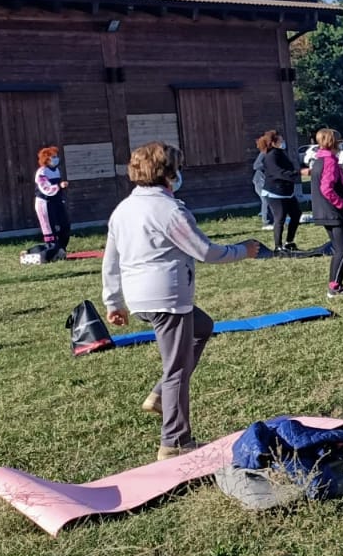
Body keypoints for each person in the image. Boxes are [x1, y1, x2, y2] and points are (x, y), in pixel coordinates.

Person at [101, 142, 259, 460]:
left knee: (202, 327)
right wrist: (243, 250)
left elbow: (110, 259)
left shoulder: (123, 209)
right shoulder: (169, 211)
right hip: (167, 298)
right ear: (169, 172)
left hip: (140, 299)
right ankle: (174, 442)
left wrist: (113, 301)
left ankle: (160, 396)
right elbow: (204, 251)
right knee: (176, 370)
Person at [310, 129, 343, 297]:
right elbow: (326, 189)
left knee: (339, 249)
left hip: (325, 211)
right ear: (334, 142)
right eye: (340, 141)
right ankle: (334, 287)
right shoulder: (329, 161)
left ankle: (336, 284)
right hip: (335, 212)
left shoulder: (320, 159)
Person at [254, 130, 301, 250]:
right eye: (280, 140)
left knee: (296, 214)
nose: (283, 142)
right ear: (273, 142)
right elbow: (278, 173)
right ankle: (278, 247)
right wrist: (298, 173)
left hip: (286, 191)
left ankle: (289, 242)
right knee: (280, 218)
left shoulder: (280, 153)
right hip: (274, 192)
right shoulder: (270, 155)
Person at [33, 146, 72, 253]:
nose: (56, 159)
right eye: (53, 157)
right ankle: (52, 249)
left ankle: (62, 247)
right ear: (46, 159)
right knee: (49, 226)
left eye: (56, 156)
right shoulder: (42, 172)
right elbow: (45, 188)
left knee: (65, 224)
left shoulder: (56, 170)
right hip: (45, 202)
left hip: (56, 200)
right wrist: (59, 186)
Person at [252, 153, 273, 231]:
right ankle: (266, 223)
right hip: (260, 181)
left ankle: (273, 220)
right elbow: (256, 165)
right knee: (266, 200)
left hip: (269, 182)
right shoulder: (264, 153)